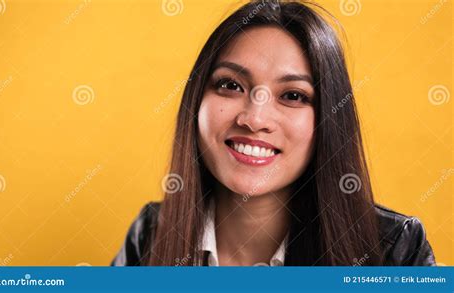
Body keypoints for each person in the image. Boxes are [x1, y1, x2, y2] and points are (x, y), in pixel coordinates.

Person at [111, 0, 436, 266]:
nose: (254, 118)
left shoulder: (396, 252)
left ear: (328, 119)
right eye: (230, 85)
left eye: (293, 95)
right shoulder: (150, 236)